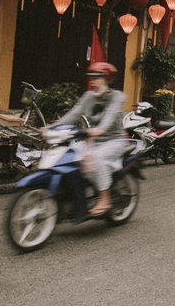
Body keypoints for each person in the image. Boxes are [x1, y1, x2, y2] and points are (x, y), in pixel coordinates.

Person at [50, 62, 127, 217]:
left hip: (114, 140)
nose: (93, 81)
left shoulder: (118, 96)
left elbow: (111, 115)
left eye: (98, 78)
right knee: (68, 157)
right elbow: (74, 114)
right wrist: (52, 128)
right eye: (92, 78)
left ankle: (104, 198)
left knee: (97, 158)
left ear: (108, 80)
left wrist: (99, 130)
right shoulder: (89, 97)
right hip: (93, 141)